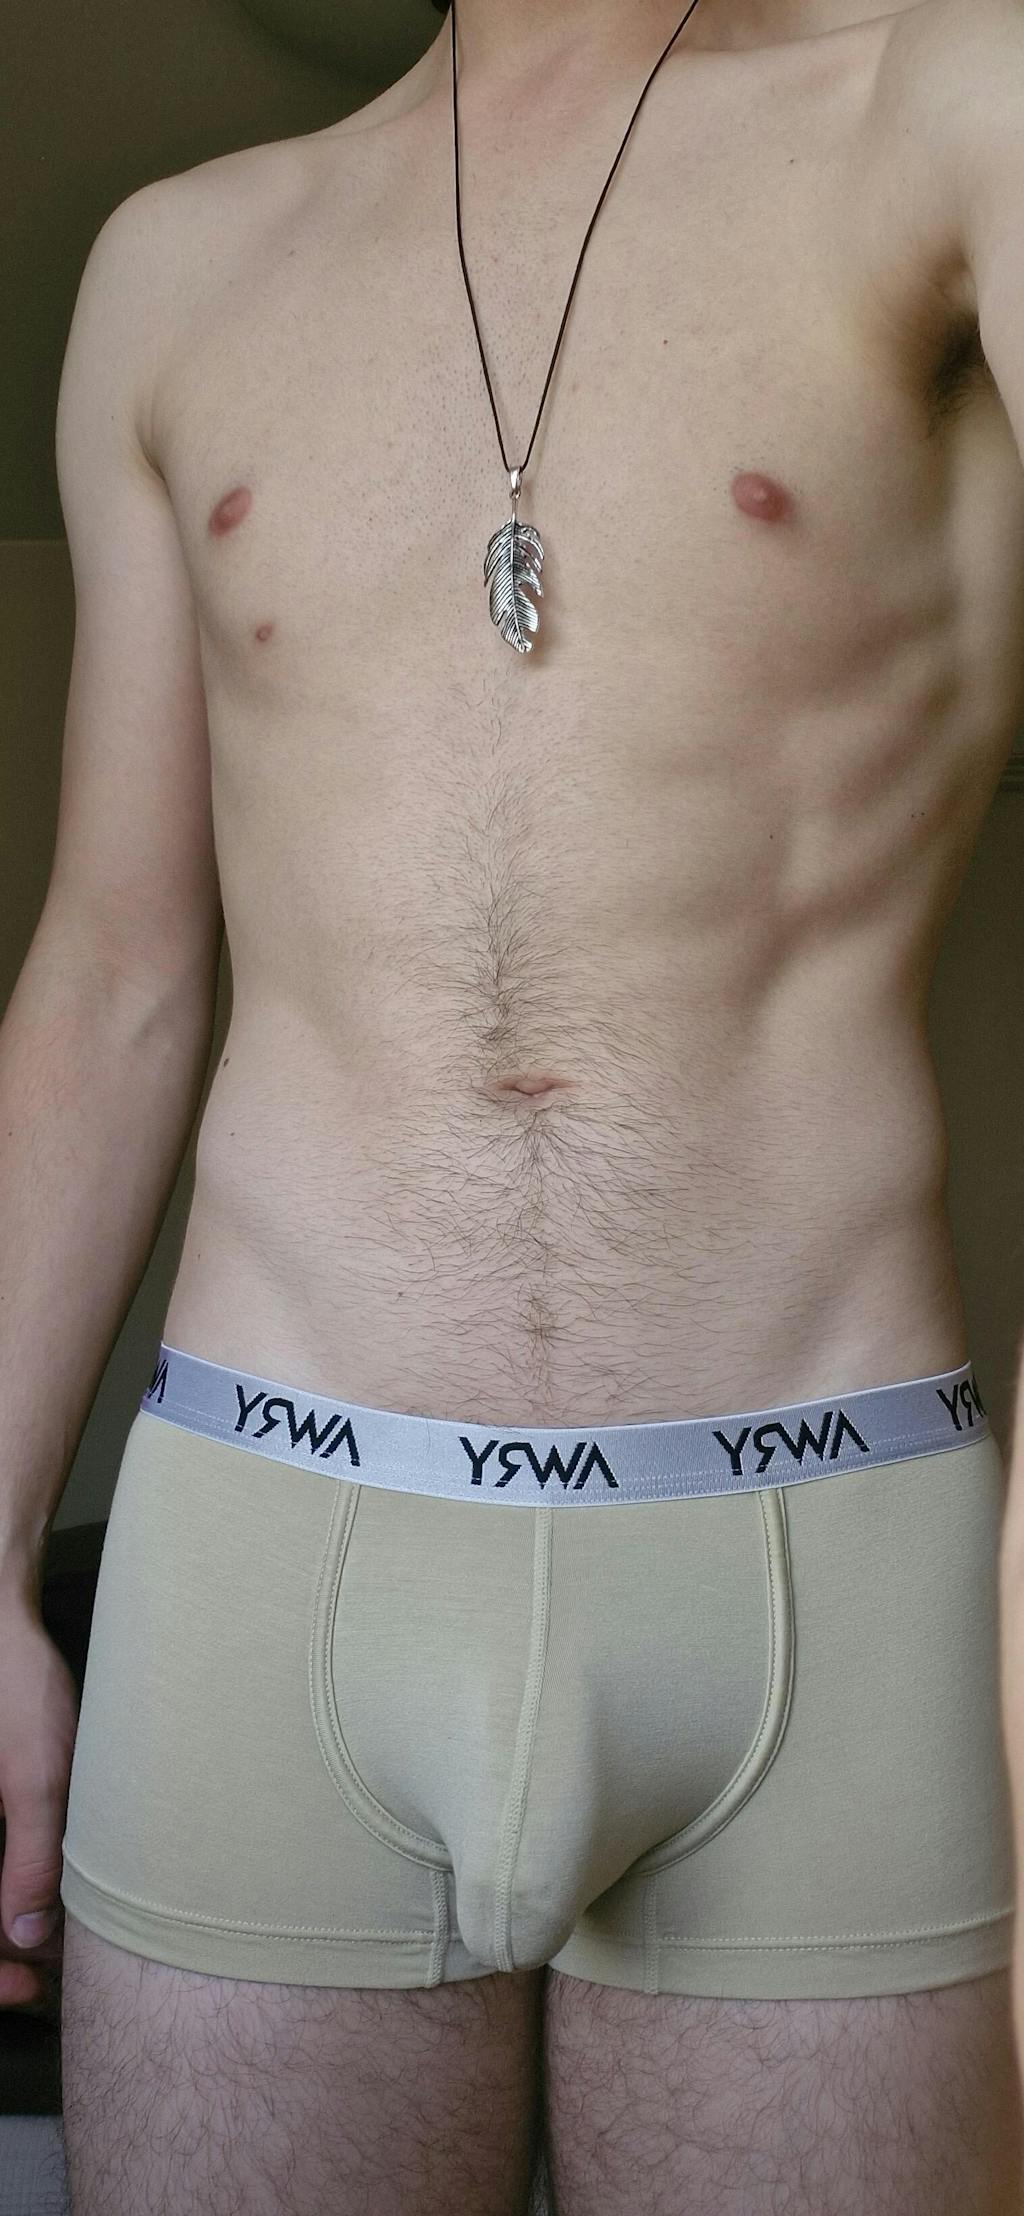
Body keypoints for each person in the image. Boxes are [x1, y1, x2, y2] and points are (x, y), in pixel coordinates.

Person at [2, 0, 1024, 2206]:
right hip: (264, 1551)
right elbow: (113, 972)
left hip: (831, 1569)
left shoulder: (953, 103)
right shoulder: (178, 266)